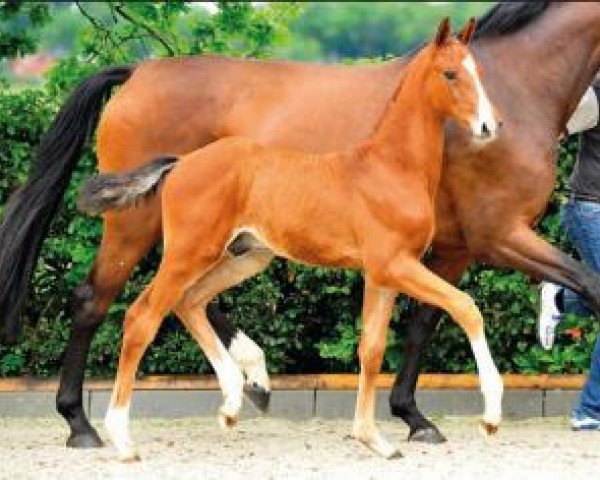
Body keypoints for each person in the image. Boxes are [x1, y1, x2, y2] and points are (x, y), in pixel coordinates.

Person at [538, 77, 600, 431]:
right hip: (592, 209)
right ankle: (590, 410)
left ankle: (562, 297)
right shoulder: (596, 93)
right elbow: (551, 125)